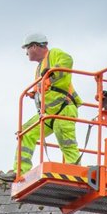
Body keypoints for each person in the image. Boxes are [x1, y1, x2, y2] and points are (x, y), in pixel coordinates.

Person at [15, 33, 81, 175]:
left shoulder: (54, 54)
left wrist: (52, 72)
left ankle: (74, 169)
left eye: (27, 49)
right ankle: (19, 171)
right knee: (26, 131)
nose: (26, 53)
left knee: (65, 140)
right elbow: (45, 86)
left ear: (34, 46)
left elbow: (67, 60)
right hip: (49, 113)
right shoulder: (39, 68)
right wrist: (35, 93)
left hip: (64, 108)